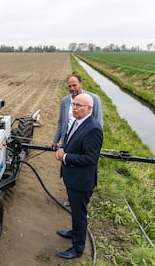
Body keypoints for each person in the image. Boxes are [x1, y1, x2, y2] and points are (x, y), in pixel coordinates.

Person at [54, 93, 103, 259]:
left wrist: (65, 157)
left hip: (81, 181)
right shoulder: (77, 121)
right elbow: (69, 140)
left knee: (80, 213)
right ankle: (74, 232)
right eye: (73, 104)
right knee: (75, 210)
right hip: (72, 177)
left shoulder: (94, 128)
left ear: (89, 109)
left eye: (78, 105)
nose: (74, 108)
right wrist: (62, 148)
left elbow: (91, 158)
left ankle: (77, 248)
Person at [52, 72, 103, 207]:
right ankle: (71, 197)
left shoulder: (93, 99)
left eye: (74, 85)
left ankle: (83, 200)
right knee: (68, 169)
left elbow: (99, 123)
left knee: (85, 170)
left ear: (81, 84)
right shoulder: (65, 101)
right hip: (68, 141)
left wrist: (95, 144)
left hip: (85, 142)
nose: (72, 88)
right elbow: (61, 122)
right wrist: (56, 140)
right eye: (69, 86)